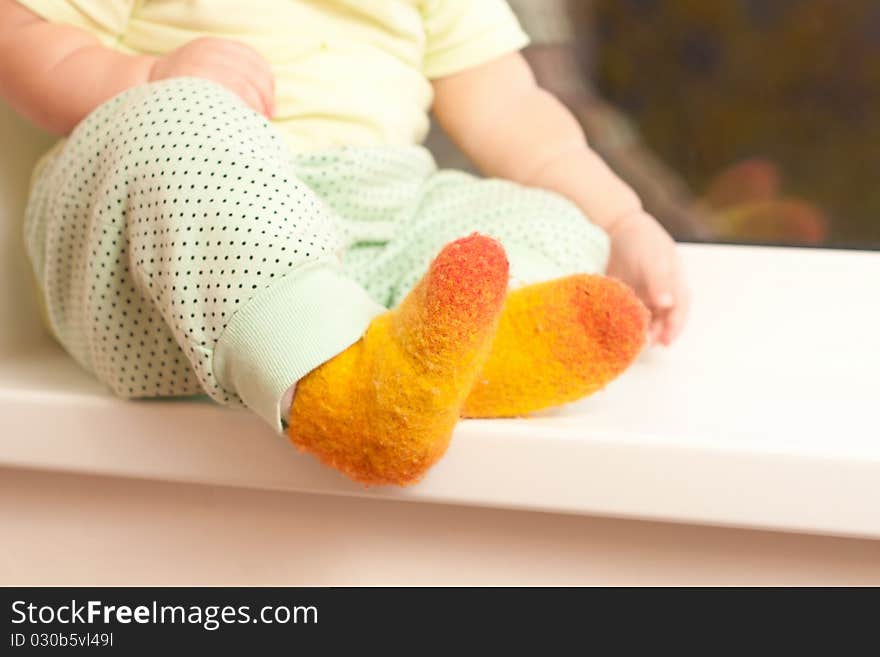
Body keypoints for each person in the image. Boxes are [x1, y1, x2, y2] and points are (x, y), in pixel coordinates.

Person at [0, 0, 685, 485]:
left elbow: (513, 111)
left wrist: (621, 220)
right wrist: (144, 76)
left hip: (368, 244)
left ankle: (439, 365)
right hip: (179, 257)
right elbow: (19, 34)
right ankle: (346, 397)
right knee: (174, 118)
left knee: (546, 219)